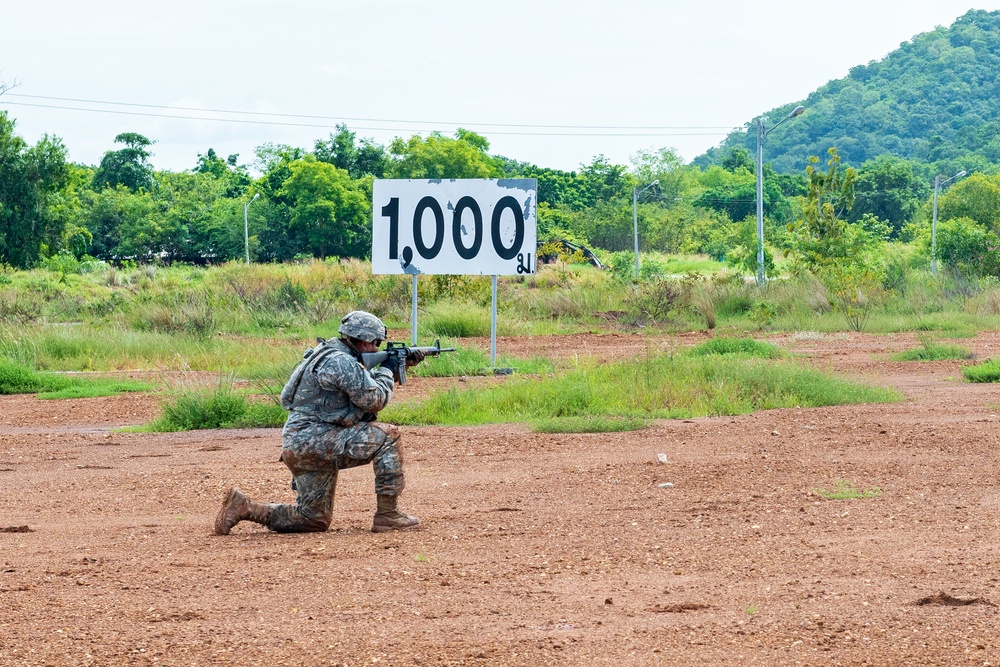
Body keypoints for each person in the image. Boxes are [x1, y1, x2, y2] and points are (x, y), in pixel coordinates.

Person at [214, 310, 425, 535]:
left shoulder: (328, 353)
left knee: (313, 519)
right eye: (376, 344)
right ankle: (388, 515)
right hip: (317, 441)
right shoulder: (341, 361)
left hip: (301, 444)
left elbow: (358, 388)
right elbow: (374, 400)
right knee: (388, 436)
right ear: (364, 343)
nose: (377, 349)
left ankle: (244, 508)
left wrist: (396, 367)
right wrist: (387, 369)